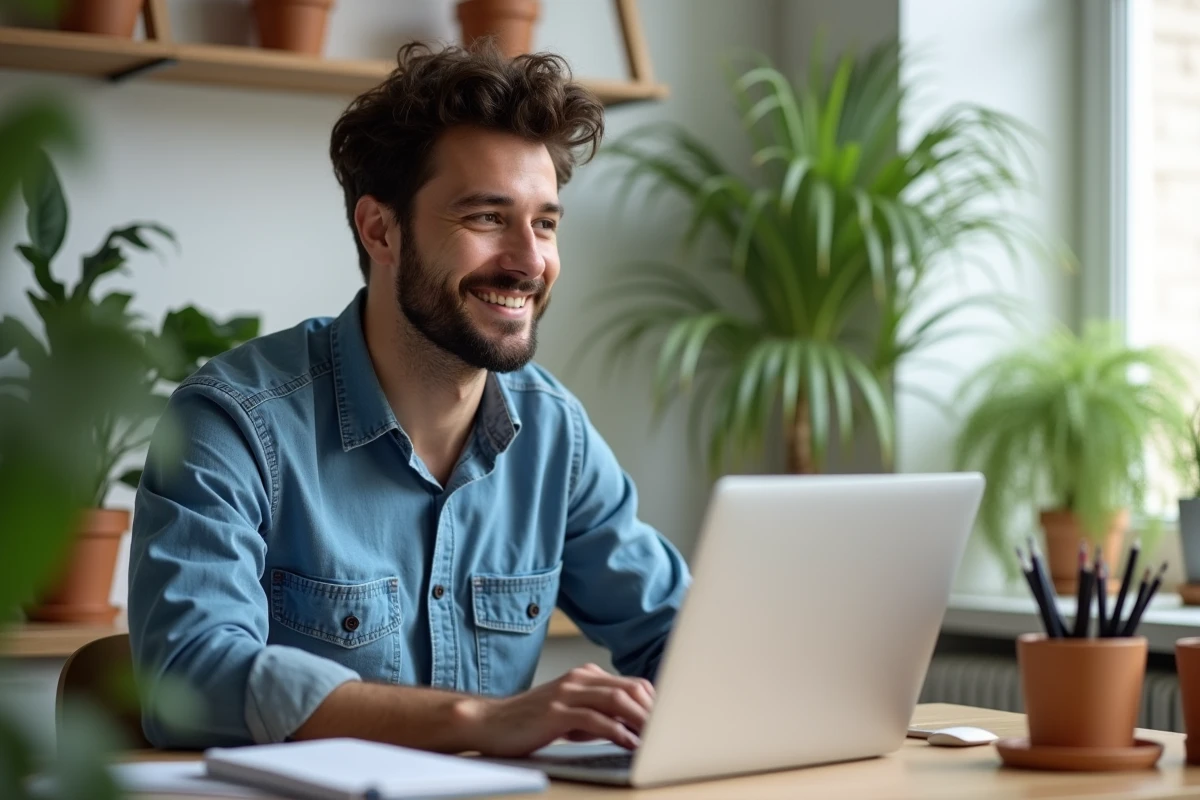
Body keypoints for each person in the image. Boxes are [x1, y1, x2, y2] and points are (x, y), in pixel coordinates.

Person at [126, 41, 691, 756]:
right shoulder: (235, 424)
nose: (529, 260)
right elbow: (188, 675)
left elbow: (681, 633)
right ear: (380, 229)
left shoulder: (556, 437)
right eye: (487, 218)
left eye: (545, 223)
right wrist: (476, 721)